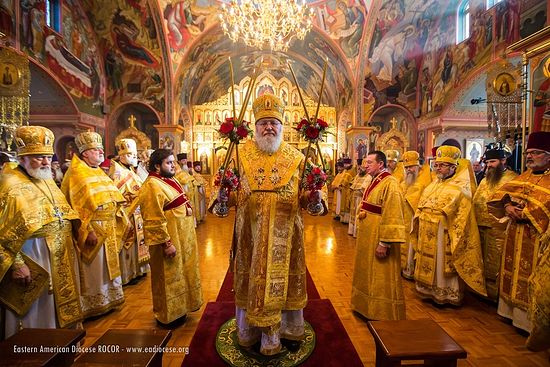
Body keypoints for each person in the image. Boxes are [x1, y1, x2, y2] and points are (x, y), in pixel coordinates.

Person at [212, 94, 326, 355]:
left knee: (284, 283)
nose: (269, 128)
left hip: (287, 238)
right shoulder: (239, 155)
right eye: (263, 123)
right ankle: (250, 333)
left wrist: (314, 196)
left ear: (282, 126)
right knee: (251, 283)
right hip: (250, 235)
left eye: (274, 122)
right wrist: (222, 197)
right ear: (255, 127)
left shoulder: (297, 157)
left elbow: (310, 199)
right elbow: (225, 196)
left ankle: (287, 331)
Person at [1, 126, 81, 339]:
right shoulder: (9, 184)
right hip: (32, 258)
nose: (46, 162)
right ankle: (30, 353)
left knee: (55, 308)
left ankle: (58, 347)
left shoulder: (46, 180)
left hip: (58, 256)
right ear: (23, 157)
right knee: (34, 312)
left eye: (47, 156)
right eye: (38, 157)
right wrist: (17, 264)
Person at [487, 131, 550, 332]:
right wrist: (507, 207)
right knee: (512, 270)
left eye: (535, 153)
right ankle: (510, 313)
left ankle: (529, 322)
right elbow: (502, 196)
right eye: (528, 153)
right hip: (515, 233)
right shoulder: (524, 176)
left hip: (537, 238)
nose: (529, 156)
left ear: (548, 155)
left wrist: (527, 213)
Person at [61, 132, 126, 318]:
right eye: (95, 150)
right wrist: (87, 230)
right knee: (95, 268)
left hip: (108, 226)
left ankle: (110, 299)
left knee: (108, 267)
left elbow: (113, 196)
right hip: (93, 229)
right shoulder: (76, 173)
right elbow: (74, 206)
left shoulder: (98, 171)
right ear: (84, 153)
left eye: (101, 150)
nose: (100, 152)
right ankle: (93, 303)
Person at [412, 145, 486, 305]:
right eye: (436, 165)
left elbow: (464, 219)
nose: (438, 168)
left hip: (444, 234)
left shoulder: (461, 189)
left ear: (453, 167)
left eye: (442, 165)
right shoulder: (432, 185)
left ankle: (446, 294)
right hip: (427, 231)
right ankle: (428, 289)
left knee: (441, 264)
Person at [138, 149, 202, 325]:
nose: (173, 165)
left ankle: (181, 309)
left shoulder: (168, 180)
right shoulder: (152, 185)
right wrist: (166, 244)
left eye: (173, 162)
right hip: (169, 240)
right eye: (169, 162)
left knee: (180, 274)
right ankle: (168, 316)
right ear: (157, 166)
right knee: (168, 278)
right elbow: (153, 219)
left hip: (181, 237)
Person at [351, 150, 406, 320]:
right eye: (365, 162)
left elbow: (393, 213)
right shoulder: (375, 179)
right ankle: (365, 306)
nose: (364, 165)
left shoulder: (391, 183)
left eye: (369, 162)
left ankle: (381, 310)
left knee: (380, 273)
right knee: (367, 270)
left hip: (378, 236)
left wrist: (385, 243)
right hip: (368, 235)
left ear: (380, 164)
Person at [472, 147, 517, 301]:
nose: (489, 165)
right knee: (482, 259)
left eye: (493, 161)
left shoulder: (513, 180)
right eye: (487, 162)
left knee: (497, 261)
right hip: (481, 227)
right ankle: (482, 290)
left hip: (500, 229)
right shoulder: (485, 180)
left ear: (503, 161)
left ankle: (497, 295)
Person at [109, 138, 149, 285]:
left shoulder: (130, 170)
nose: (135, 158)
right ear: (123, 155)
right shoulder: (117, 171)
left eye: (134, 155)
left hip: (136, 213)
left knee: (138, 243)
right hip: (126, 214)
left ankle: (138, 270)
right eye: (132, 155)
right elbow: (115, 194)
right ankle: (128, 273)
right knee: (128, 245)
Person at [400, 150, 431, 279]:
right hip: (403, 219)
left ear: (418, 166)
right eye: (406, 167)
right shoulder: (403, 183)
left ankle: (412, 270)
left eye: (411, 167)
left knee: (413, 245)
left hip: (415, 219)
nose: (409, 170)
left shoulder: (425, 182)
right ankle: (403, 267)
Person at [348, 162, 372, 237]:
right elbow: (352, 185)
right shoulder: (358, 175)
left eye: (363, 168)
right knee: (353, 214)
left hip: (360, 198)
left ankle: (356, 233)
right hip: (354, 198)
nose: (360, 169)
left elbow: (364, 189)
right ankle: (352, 231)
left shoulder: (369, 176)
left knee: (357, 214)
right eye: (360, 167)